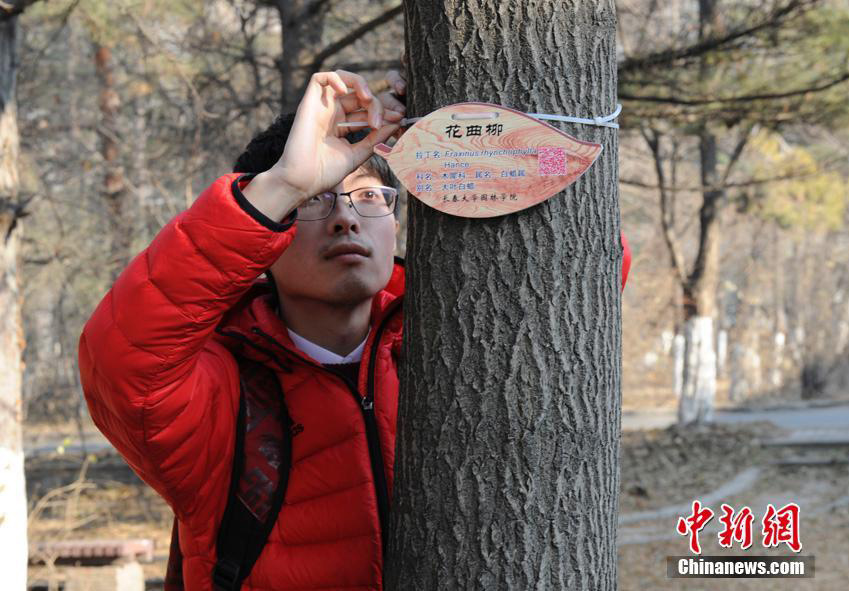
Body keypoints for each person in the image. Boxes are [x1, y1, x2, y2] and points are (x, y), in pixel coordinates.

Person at [78, 69, 631, 591]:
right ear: (266, 239)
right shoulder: (223, 391)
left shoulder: (457, 341)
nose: (346, 218)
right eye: (315, 200)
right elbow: (124, 364)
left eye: (369, 196)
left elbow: (584, 276)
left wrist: (480, 134)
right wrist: (284, 183)